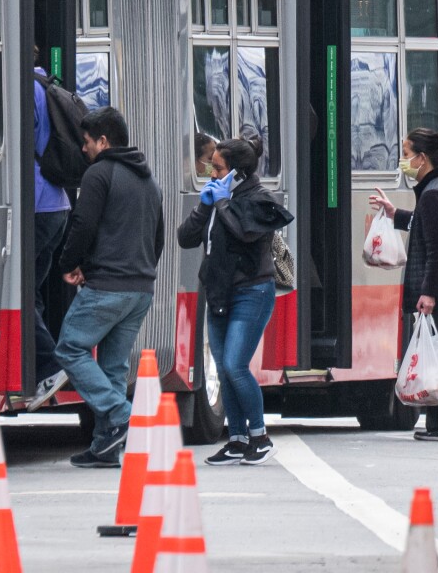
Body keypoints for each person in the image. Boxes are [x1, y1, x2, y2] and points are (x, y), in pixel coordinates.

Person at [54, 106, 165, 467]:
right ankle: (105, 446)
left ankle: (120, 413)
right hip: (141, 288)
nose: (83, 149)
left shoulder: (99, 174)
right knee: (114, 367)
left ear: (103, 141)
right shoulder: (150, 181)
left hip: (108, 285)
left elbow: (82, 224)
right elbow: (158, 238)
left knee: (70, 347)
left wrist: (70, 264)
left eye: (87, 142)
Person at [179, 137, 292, 466]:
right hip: (218, 293)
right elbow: (185, 237)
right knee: (224, 369)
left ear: (238, 174)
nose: (211, 174)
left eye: (218, 168)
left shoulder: (259, 200)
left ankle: (260, 436)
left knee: (234, 365)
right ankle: (238, 438)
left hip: (251, 292)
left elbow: (245, 233)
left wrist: (224, 203)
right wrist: (204, 206)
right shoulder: (215, 199)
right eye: (211, 167)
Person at [369, 128, 438, 441]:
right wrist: (395, 214)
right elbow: (431, 227)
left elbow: (437, 251)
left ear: (422, 158)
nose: (403, 161)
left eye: (406, 154)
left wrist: (428, 293)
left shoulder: (433, 195)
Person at [25, 53, 73, 412]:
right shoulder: (49, 85)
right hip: (58, 204)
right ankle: (39, 368)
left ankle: (51, 363)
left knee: (22, 295)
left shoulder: (24, 88)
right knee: (35, 292)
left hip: (37, 205)